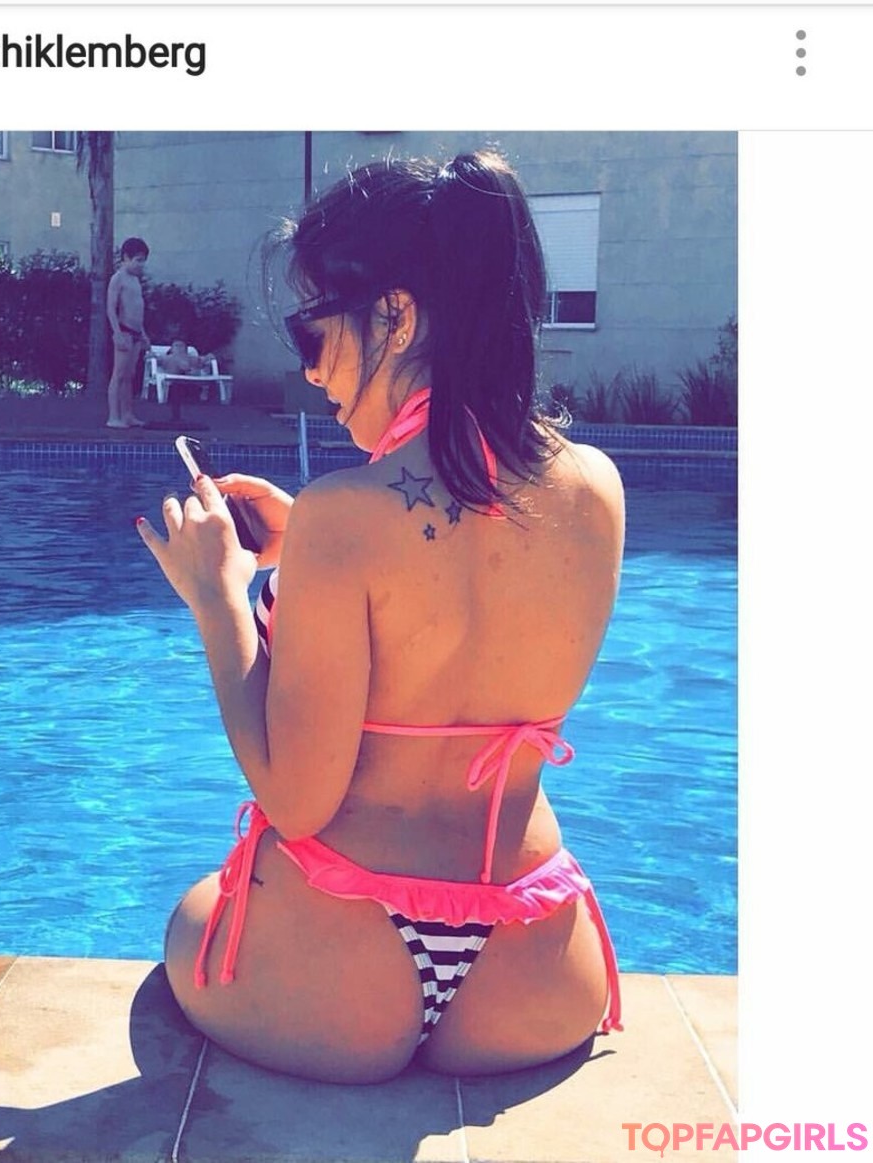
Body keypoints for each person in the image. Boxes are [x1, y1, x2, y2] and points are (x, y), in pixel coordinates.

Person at [136, 151, 626, 1084]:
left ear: (396, 316)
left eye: (313, 331)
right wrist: (312, 551)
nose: (311, 368)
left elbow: (296, 799)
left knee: (189, 924)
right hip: (536, 966)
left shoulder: (346, 518)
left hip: (344, 972)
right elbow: (461, 592)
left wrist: (219, 599)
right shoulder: (595, 489)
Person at [106, 237, 150, 429]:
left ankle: (127, 414)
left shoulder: (135, 280)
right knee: (118, 374)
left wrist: (143, 334)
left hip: (136, 332)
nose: (141, 265)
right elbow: (111, 308)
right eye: (138, 260)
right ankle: (113, 416)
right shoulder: (118, 278)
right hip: (124, 331)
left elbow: (137, 309)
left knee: (129, 376)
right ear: (126, 257)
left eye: (143, 261)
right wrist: (116, 332)